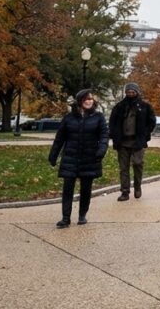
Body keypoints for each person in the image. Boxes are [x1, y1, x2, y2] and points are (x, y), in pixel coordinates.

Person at [48, 89, 109, 228]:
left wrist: (101, 150)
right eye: (86, 99)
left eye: (91, 99)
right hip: (71, 157)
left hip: (90, 158)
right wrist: (53, 155)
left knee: (86, 189)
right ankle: (65, 218)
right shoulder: (69, 118)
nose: (89, 101)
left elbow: (104, 136)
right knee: (68, 188)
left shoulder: (98, 117)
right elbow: (59, 139)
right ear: (80, 101)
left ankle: (82, 215)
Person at [108, 83, 157, 201]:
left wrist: (145, 134)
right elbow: (112, 123)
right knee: (123, 168)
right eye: (128, 91)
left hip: (137, 141)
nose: (130, 93)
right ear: (126, 92)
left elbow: (151, 122)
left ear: (137, 92)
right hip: (122, 142)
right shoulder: (119, 107)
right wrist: (114, 135)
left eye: (133, 91)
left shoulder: (145, 106)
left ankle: (137, 186)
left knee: (137, 164)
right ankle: (125, 191)